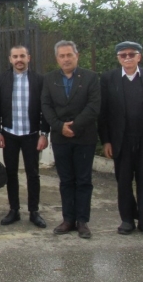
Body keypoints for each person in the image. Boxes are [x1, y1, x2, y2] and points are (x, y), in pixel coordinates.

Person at [99, 41, 143, 237]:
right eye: (123, 55)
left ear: (139, 57)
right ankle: (127, 220)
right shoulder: (108, 79)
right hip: (121, 142)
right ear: (118, 58)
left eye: (131, 54)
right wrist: (106, 140)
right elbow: (103, 114)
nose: (127, 58)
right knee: (124, 182)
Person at [41, 40, 100, 239]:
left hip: (84, 137)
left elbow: (93, 106)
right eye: (62, 56)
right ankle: (68, 220)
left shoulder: (91, 78)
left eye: (69, 55)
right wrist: (59, 127)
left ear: (77, 56)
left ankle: (82, 221)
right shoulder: (49, 79)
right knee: (66, 180)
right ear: (57, 58)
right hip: (60, 138)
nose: (66, 59)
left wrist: (74, 127)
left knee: (83, 180)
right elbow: (46, 106)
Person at [0, 46, 49, 228]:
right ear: (10, 59)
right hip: (9, 134)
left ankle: (34, 211)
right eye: (15, 56)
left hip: (32, 135)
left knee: (33, 174)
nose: (19, 59)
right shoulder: (1, 79)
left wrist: (44, 133)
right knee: (11, 173)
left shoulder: (39, 80)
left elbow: (45, 109)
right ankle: (14, 210)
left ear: (29, 58)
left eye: (22, 56)